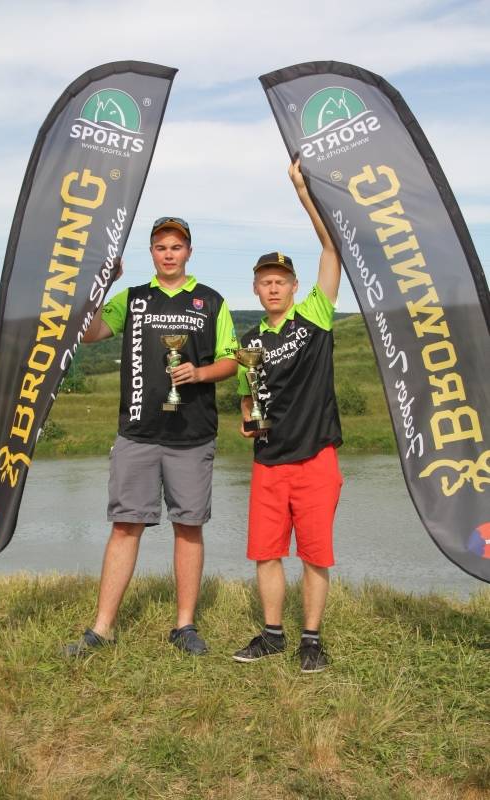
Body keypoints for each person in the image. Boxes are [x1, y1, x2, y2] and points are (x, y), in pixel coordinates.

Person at [65, 217, 237, 656]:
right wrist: (103, 285)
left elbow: (231, 361)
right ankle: (101, 629)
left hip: (193, 434)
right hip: (137, 433)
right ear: (152, 253)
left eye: (176, 246)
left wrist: (199, 373)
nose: (169, 254)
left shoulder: (211, 301)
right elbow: (90, 333)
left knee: (189, 528)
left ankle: (184, 626)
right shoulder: (134, 298)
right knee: (125, 527)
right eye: (161, 247)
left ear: (189, 251)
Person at [233, 160, 343, 673]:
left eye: (280, 280)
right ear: (256, 290)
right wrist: (246, 419)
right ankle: (273, 635)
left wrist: (303, 190)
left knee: (316, 554)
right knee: (266, 552)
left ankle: (311, 641)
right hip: (268, 461)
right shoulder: (248, 342)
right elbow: (247, 399)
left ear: (296, 285)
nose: (273, 288)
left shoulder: (316, 314)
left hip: (316, 457)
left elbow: (331, 248)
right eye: (265, 282)